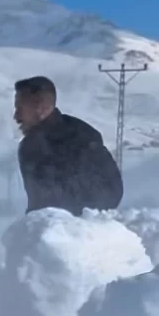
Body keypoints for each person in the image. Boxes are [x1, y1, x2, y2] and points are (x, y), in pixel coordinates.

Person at [14, 76, 124, 216]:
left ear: (40, 107)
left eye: (20, 108)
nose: (16, 116)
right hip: (49, 230)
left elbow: (111, 190)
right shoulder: (29, 146)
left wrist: (75, 223)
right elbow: (37, 203)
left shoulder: (81, 137)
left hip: (81, 230)